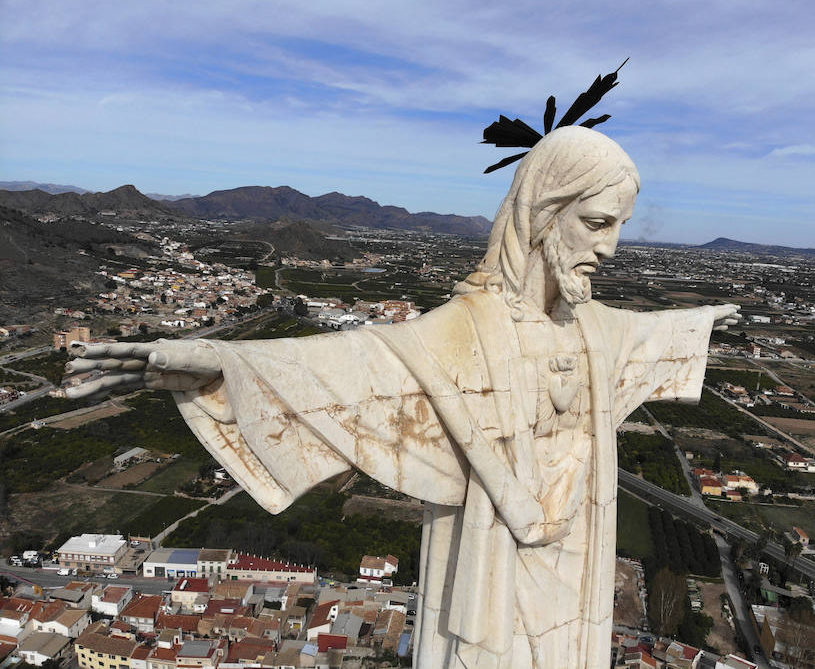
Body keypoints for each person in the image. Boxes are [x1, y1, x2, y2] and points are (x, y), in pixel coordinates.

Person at [66, 126, 739, 668]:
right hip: (494, 591)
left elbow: (650, 337)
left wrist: (703, 322)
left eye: (619, 225)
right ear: (541, 212)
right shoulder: (463, 331)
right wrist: (216, 362)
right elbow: (351, 365)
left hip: (580, 579)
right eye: (596, 222)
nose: (611, 247)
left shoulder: (596, 327)